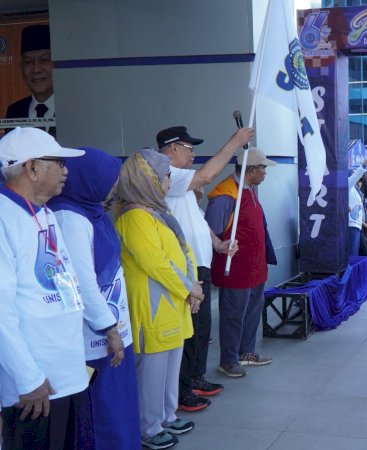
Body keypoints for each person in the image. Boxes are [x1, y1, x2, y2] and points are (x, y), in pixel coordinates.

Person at [0, 127, 95, 449]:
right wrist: (28, 378)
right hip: (34, 386)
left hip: (65, 374)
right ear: (32, 167)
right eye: (58, 162)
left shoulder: (46, 214)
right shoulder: (4, 217)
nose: (66, 170)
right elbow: (2, 311)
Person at [49, 147, 141, 450]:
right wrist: (110, 329)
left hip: (112, 329)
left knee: (118, 408)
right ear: (91, 178)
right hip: (95, 338)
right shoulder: (69, 217)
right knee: (101, 416)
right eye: (111, 179)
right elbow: (83, 285)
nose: (116, 186)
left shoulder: (92, 211)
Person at [157, 125, 249, 412]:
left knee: (201, 329)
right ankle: (183, 390)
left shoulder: (184, 185)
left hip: (200, 265)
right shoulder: (168, 175)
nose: (193, 154)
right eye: (189, 148)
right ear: (172, 149)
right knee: (189, 331)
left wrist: (219, 245)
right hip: (185, 269)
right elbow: (208, 174)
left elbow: (198, 220)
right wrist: (234, 142)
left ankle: (196, 378)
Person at [115, 148, 200, 449]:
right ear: (147, 179)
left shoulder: (159, 211)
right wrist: (189, 288)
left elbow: (183, 249)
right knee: (151, 368)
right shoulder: (135, 216)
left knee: (170, 362)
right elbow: (155, 262)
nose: (168, 180)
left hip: (174, 298)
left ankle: (167, 414)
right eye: (165, 174)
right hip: (153, 301)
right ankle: (149, 427)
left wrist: (193, 284)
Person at [206, 149, 277, 378]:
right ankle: (228, 360)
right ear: (252, 170)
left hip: (254, 268)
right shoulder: (225, 195)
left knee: (252, 312)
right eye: (263, 168)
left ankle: (246, 352)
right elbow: (211, 232)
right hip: (235, 269)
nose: (266, 173)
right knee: (233, 315)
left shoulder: (251, 191)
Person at [5, 25, 56, 137]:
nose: (36, 69)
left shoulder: (71, 108)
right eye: (28, 62)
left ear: (55, 64)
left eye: (44, 60)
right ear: (21, 67)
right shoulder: (14, 111)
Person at [348, 152, 367, 257]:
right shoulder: (347, 184)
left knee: (356, 255)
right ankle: (348, 274)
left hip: (356, 226)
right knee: (351, 256)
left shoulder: (356, 191)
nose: (359, 181)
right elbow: (357, 174)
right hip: (350, 225)